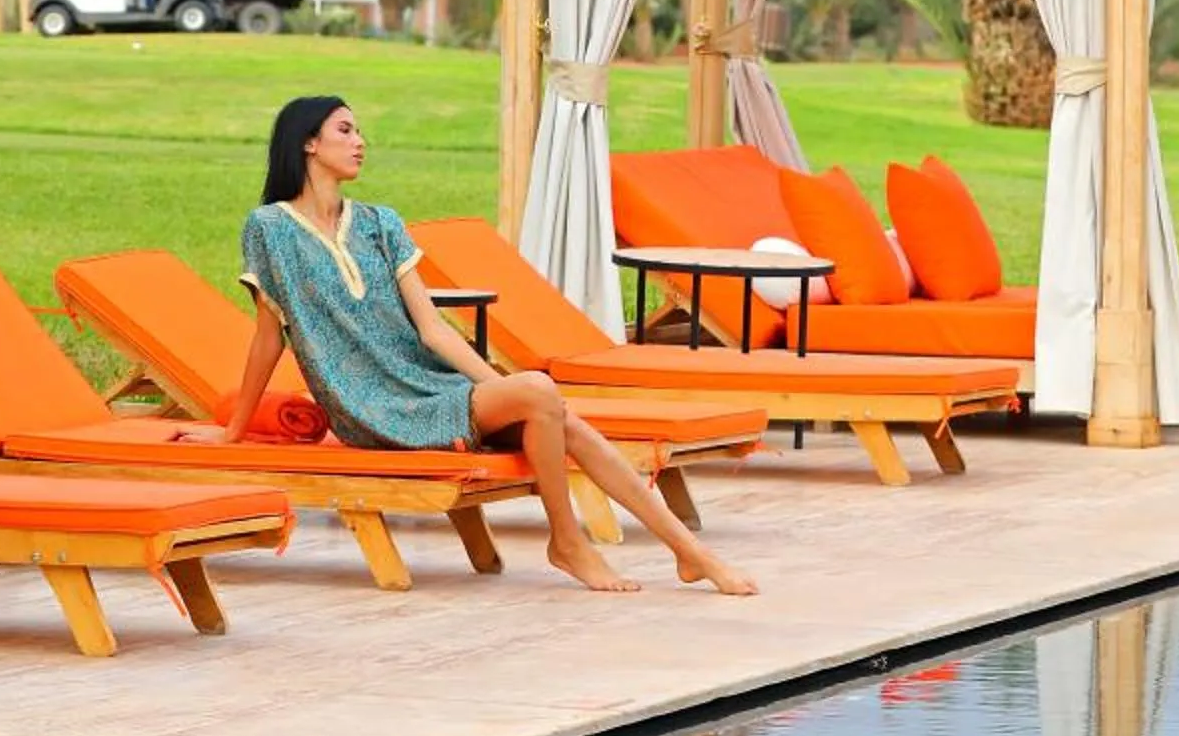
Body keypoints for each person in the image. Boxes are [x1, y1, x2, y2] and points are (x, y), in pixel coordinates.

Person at [177, 94, 756, 599]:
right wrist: (231, 431)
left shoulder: (381, 222)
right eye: (346, 131)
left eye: (359, 131)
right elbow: (266, 338)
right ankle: (568, 541)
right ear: (307, 144)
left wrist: (496, 388)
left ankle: (689, 554)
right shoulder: (270, 229)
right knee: (542, 394)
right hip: (373, 408)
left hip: (432, 388)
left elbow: (431, 329)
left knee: (562, 417)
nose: (361, 142)